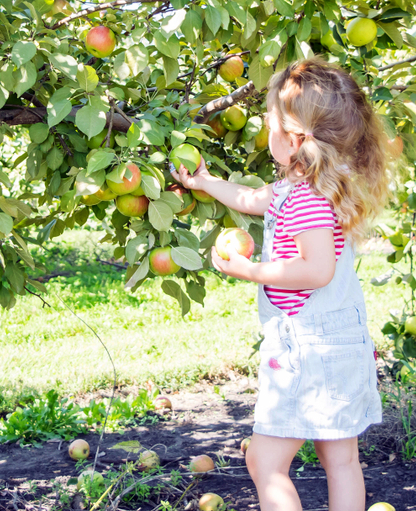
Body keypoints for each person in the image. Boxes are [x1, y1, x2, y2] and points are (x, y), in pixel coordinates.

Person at [171, 56, 392, 511]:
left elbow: (316, 271)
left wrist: (248, 270)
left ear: (292, 139)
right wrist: (207, 183)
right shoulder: (314, 188)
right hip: (337, 341)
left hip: (306, 348)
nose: (264, 130)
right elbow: (253, 200)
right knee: (342, 461)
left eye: (268, 123)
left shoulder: (306, 201)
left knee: (266, 463)